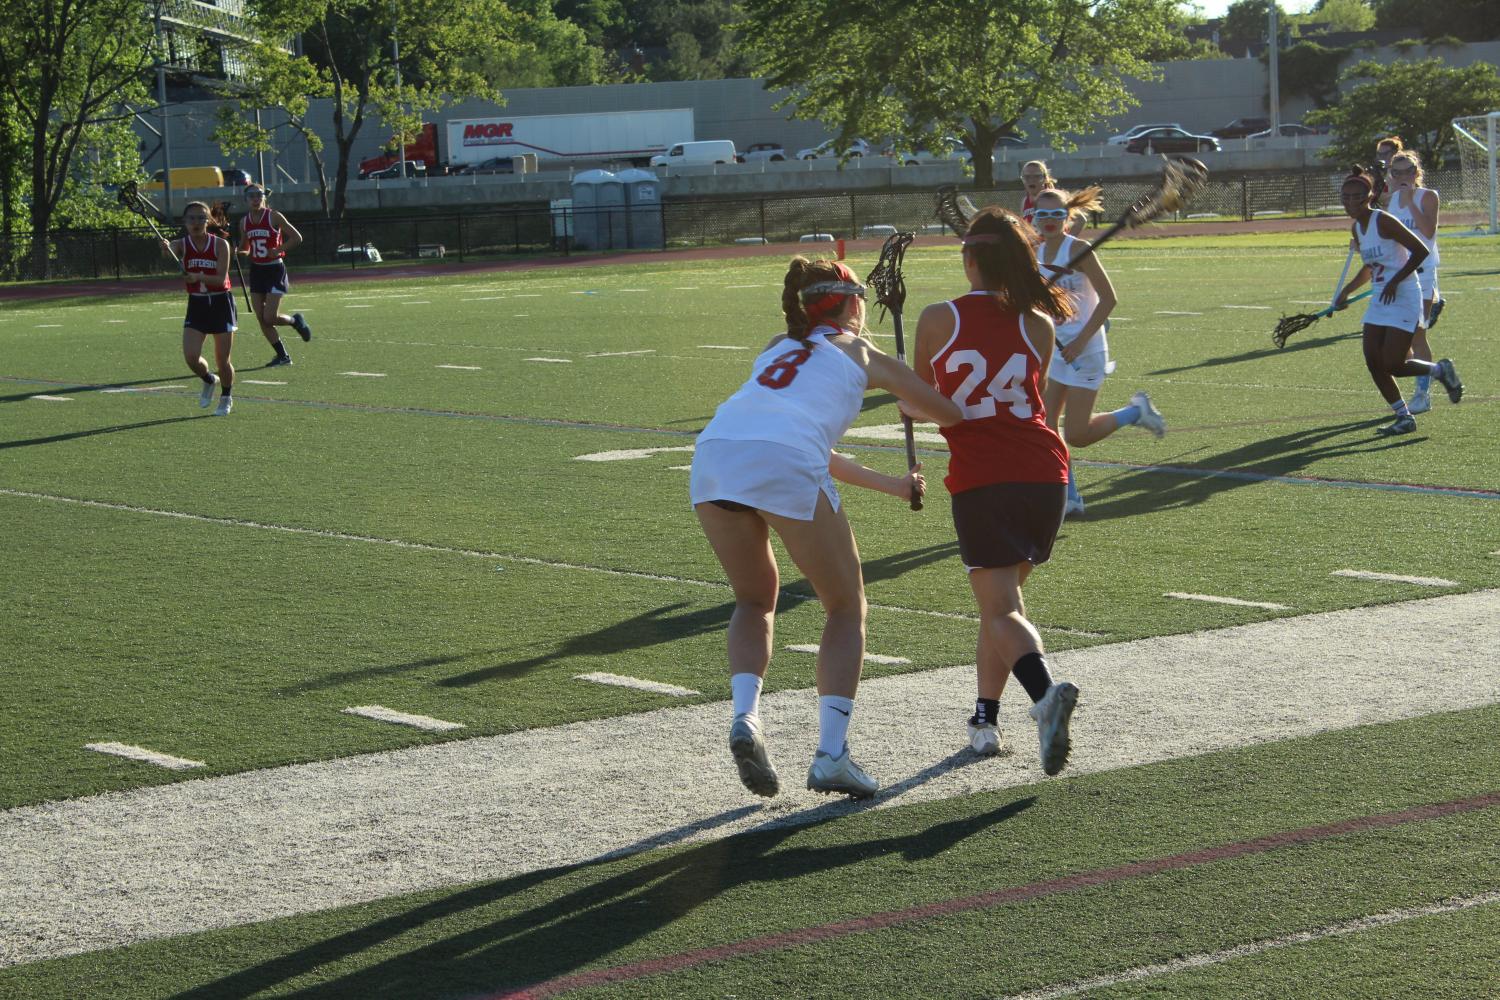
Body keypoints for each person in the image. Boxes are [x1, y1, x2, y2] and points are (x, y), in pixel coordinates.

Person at [691, 258, 963, 800]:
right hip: (783, 461)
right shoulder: (863, 352)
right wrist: (912, 398)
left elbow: (811, 446)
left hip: (715, 456)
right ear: (853, 302)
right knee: (845, 606)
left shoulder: (777, 345)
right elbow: (949, 412)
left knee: (754, 600)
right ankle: (832, 755)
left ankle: (746, 717)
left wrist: (892, 484)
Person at [909, 206, 1080, 775]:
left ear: (971, 258)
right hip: (1045, 476)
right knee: (1000, 605)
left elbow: (920, 398)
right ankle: (984, 718)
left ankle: (1044, 696)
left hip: (985, 477)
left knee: (1000, 607)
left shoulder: (938, 318)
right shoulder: (1040, 324)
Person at [1031, 186, 1164, 517]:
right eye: (1042, 215)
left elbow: (1109, 299)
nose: (1049, 221)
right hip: (1054, 349)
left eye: (1056, 215)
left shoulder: (1080, 250)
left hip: (1085, 351)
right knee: (1046, 428)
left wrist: (1079, 342)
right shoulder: (1033, 253)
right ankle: (1070, 496)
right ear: (1033, 217)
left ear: (1067, 218)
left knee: (1077, 435)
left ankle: (1136, 412)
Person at [1333, 167, 1461, 435]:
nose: (1350, 202)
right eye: (1345, 197)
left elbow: (1421, 250)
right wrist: (1346, 291)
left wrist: (1395, 280)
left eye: (1356, 196)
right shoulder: (1357, 228)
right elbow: (1370, 267)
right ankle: (1403, 416)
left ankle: (1439, 370)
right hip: (1381, 297)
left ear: (1370, 196)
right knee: (1372, 359)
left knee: (1393, 363)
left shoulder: (1383, 220)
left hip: (1404, 295)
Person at [160, 201, 236, 416]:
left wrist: (198, 276)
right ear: (184, 221)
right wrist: (166, 248)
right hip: (197, 303)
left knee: (223, 360)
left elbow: (221, 279)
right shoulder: (182, 244)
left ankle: (226, 396)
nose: (196, 222)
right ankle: (209, 379)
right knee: (191, 357)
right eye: (191, 218)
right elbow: (171, 252)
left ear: (208, 221)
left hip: (221, 303)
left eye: (201, 218)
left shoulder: (221, 245)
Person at [1384, 150, 1444, 413]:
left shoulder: (1427, 196)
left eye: (1407, 170)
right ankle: (1437, 372)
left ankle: (1423, 394)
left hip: (1423, 273)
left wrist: (1410, 202)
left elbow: (1428, 232)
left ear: (1416, 173)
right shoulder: (1392, 200)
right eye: (1396, 172)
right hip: (1400, 275)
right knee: (1398, 342)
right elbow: (1391, 238)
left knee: (1417, 335)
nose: (1401, 176)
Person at [237, 185, 311, 367]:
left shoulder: (273, 216)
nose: (255, 199)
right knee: (261, 317)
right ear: (246, 199)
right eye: (251, 196)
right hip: (257, 271)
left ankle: (295, 321)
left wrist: (278, 250)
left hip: (274, 270)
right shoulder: (244, 222)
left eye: (258, 195)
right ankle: (283, 356)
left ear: (263, 197)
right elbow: (245, 248)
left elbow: (297, 237)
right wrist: (236, 251)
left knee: (270, 317)